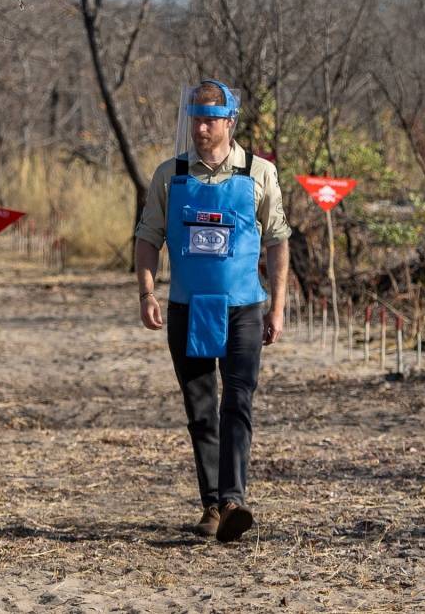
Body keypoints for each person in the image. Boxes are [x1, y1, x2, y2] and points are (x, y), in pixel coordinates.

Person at [134, 79, 291, 542]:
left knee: (238, 402)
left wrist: (277, 307)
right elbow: (147, 237)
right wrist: (147, 293)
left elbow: (278, 239)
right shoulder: (171, 174)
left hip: (244, 308)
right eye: (195, 118)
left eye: (210, 119)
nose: (201, 127)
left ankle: (233, 499)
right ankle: (210, 505)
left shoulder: (259, 172)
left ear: (230, 120)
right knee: (201, 408)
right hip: (187, 308)